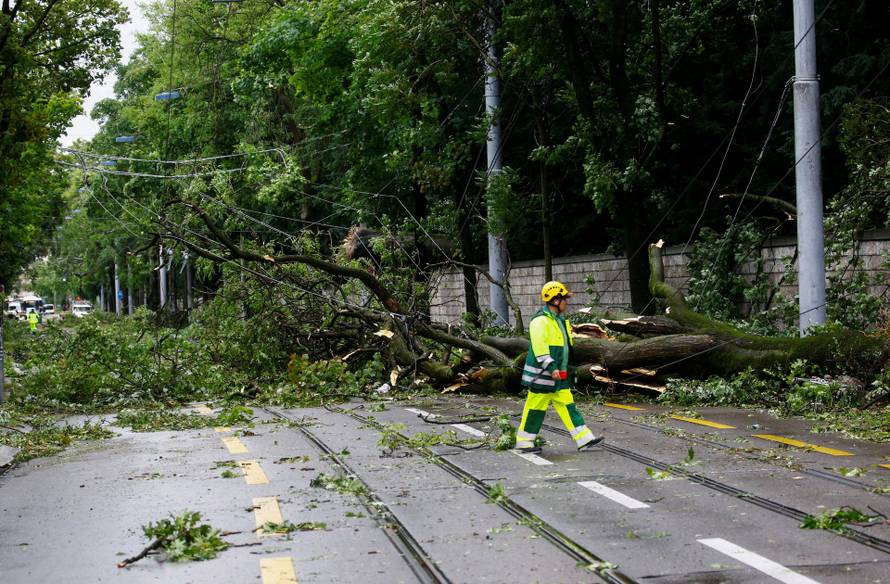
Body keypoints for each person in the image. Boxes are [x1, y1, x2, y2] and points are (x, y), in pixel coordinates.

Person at [515, 280, 604, 453]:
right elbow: (540, 348)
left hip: (558, 374)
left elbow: (565, 348)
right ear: (556, 300)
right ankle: (524, 443)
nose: (566, 303)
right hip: (543, 375)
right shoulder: (540, 321)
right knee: (535, 409)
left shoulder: (560, 320)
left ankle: (584, 439)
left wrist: (568, 369)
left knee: (568, 405)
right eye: (564, 299)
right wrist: (552, 368)